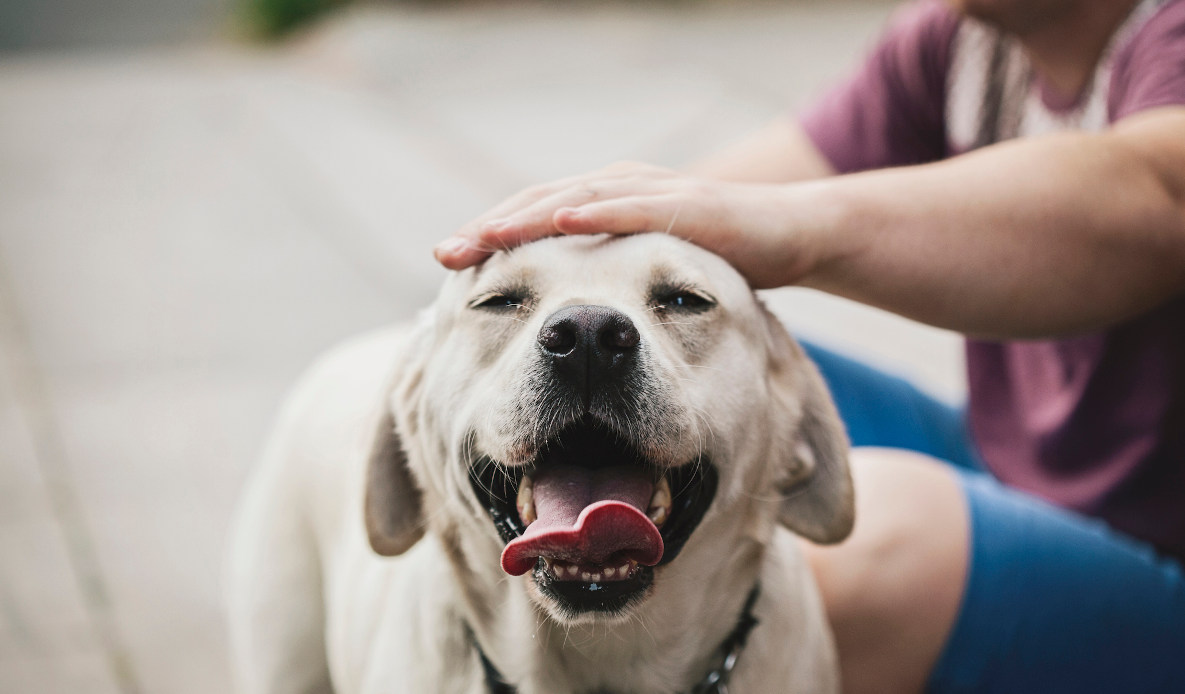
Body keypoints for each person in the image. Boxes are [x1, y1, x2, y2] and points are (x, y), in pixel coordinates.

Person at [434, 0, 1185, 691]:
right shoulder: (956, 41)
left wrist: (796, 231)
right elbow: (689, 213)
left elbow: (1157, 192)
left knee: (878, 539)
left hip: (1163, 563)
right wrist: (505, 312)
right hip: (1012, 458)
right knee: (724, 359)